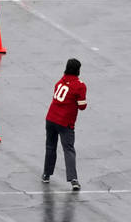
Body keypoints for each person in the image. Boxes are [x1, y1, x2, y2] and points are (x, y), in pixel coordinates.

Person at [42, 58, 87, 191]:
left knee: (50, 147)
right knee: (68, 150)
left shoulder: (60, 82)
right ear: (78, 70)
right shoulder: (79, 85)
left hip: (51, 118)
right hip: (65, 122)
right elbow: (82, 106)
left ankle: (46, 174)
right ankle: (73, 179)